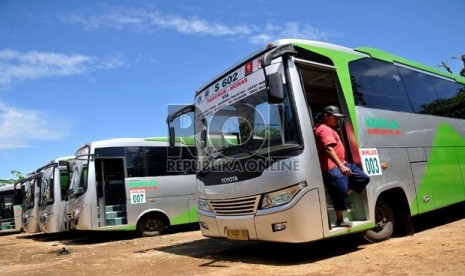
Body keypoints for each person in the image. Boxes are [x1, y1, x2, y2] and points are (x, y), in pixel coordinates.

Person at [313, 105, 370, 228]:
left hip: (343, 163)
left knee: (363, 178)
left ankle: (342, 195)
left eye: (338, 118)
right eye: (335, 118)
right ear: (326, 116)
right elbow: (328, 148)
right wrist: (341, 166)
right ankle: (340, 219)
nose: (337, 120)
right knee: (340, 190)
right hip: (333, 167)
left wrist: (343, 165)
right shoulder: (323, 129)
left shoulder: (329, 128)